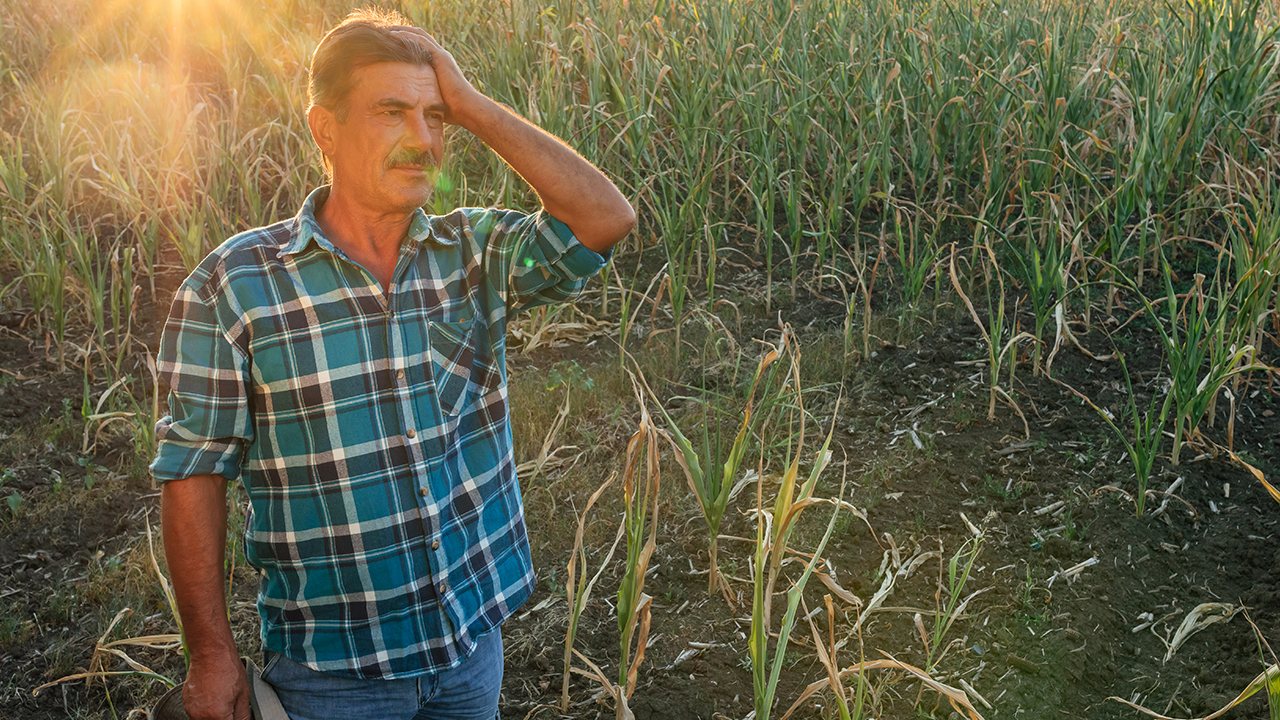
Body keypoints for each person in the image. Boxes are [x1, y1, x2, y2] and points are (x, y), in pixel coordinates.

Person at [150, 8, 635, 720]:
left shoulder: (473, 254)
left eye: (435, 118)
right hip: (332, 672)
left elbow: (604, 219)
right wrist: (212, 653)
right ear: (325, 129)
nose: (422, 140)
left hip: (469, 647)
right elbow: (193, 470)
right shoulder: (236, 287)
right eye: (391, 112)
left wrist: (472, 105)